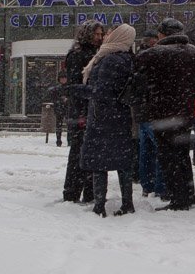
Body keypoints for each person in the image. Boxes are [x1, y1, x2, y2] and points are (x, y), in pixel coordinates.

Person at [133, 18, 195, 210]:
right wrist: (186, 96)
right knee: (182, 155)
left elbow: (139, 83)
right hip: (184, 112)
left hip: (161, 113)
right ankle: (188, 196)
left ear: (162, 34)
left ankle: (177, 198)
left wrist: (154, 97)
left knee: (168, 156)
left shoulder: (151, 54)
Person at [80, 24, 138, 217]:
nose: (106, 35)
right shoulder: (128, 58)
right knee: (122, 162)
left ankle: (99, 206)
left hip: (103, 117)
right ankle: (127, 203)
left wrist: (74, 90)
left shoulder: (109, 59)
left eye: (111, 32)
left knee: (100, 162)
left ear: (119, 36)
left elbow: (101, 91)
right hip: (120, 116)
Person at [62, 21, 105, 203]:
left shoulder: (97, 53)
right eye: (96, 34)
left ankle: (87, 191)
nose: (99, 37)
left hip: (90, 109)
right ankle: (73, 192)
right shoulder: (78, 55)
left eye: (101, 34)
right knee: (79, 152)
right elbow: (74, 85)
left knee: (90, 152)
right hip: (82, 110)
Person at [134, 29, 164, 197]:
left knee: (145, 151)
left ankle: (147, 185)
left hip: (142, 111)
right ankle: (159, 187)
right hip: (152, 110)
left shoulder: (138, 57)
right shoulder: (154, 58)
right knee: (159, 148)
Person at [45, 73, 68, 146]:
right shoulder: (56, 88)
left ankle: (70, 140)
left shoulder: (69, 87)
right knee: (59, 125)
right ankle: (58, 140)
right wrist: (60, 100)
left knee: (70, 125)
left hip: (67, 108)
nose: (63, 80)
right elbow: (53, 98)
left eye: (64, 78)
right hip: (59, 108)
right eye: (62, 78)